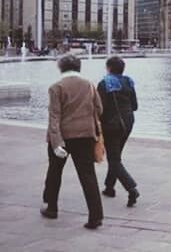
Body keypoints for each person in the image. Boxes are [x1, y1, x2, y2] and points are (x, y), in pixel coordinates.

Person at [42, 54, 104, 229]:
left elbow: (54, 117)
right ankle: (96, 216)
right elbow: (99, 108)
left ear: (61, 68)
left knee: (55, 172)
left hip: (62, 137)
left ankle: (52, 208)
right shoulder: (89, 85)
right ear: (79, 67)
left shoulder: (56, 87)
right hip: (85, 136)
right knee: (88, 176)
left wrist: (56, 143)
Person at [98, 56, 140, 207]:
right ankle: (109, 187)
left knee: (114, 159)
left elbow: (99, 109)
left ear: (108, 68)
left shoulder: (105, 84)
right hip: (128, 123)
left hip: (111, 125)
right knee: (116, 156)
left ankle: (131, 188)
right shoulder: (129, 82)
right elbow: (135, 106)